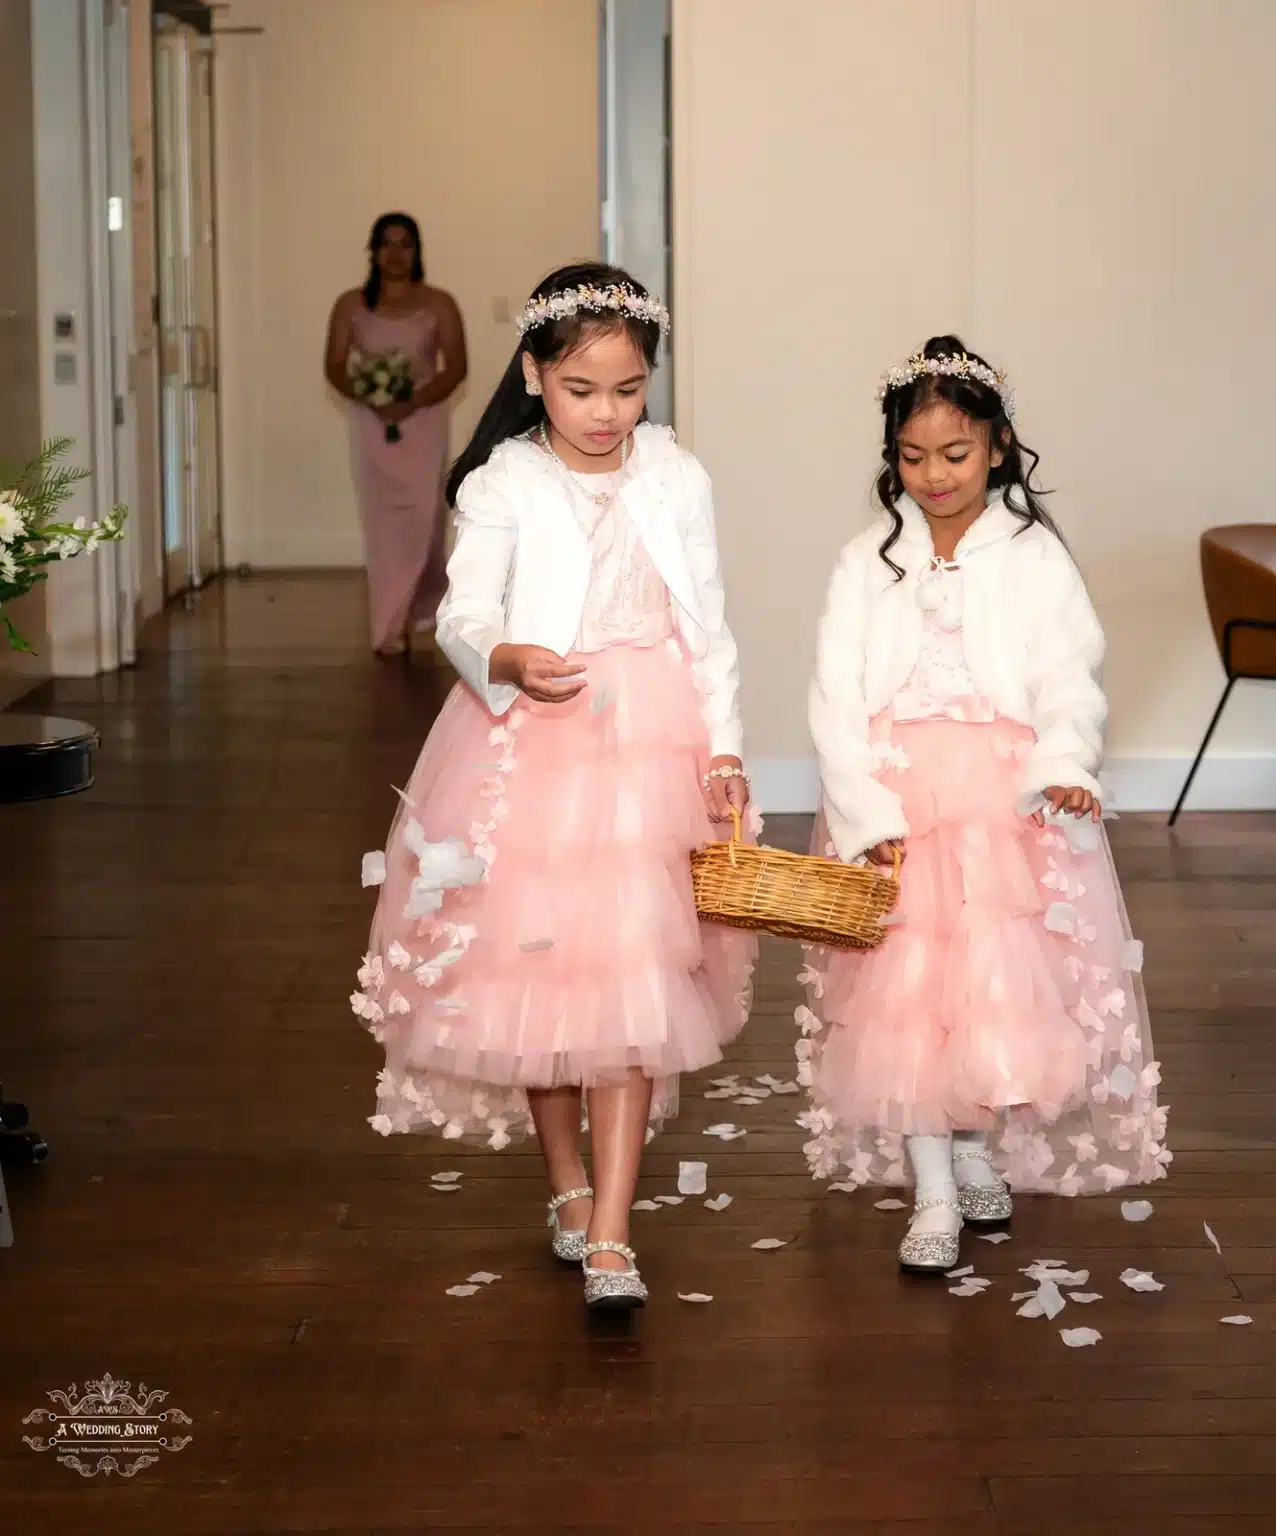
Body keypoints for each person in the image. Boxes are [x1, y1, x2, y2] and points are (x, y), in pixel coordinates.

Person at [352, 262, 756, 1310]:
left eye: (628, 390)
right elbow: (462, 614)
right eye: (583, 390)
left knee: (630, 970)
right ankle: (567, 1184)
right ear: (534, 374)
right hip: (532, 739)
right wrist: (509, 659)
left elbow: (706, 625)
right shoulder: (503, 483)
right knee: (541, 970)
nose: (607, 413)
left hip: (650, 744)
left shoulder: (676, 476)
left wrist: (723, 748)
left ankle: (615, 1232)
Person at [798, 336, 1169, 1273]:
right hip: (901, 796)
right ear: (892, 459)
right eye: (913, 458)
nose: (934, 476)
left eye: (955, 455)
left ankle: (969, 1150)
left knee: (991, 986)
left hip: (1002, 803)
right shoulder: (866, 560)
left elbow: (1068, 675)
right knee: (910, 992)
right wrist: (865, 813)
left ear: (998, 447)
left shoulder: (1035, 555)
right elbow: (834, 694)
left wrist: (1064, 759)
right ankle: (929, 1187)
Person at [324, 212, 467, 656]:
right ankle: (391, 622)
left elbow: (456, 367)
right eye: (386, 244)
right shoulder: (350, 304)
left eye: (405, 244)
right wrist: (368, 396)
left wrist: (413, 400)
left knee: (425, 520)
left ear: (417, 250)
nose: (395, 254)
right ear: (373, 251)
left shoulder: (440, 302)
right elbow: (334, 364)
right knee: (383, 525)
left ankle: (417, 606)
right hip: (372, 425)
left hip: (423, 423)